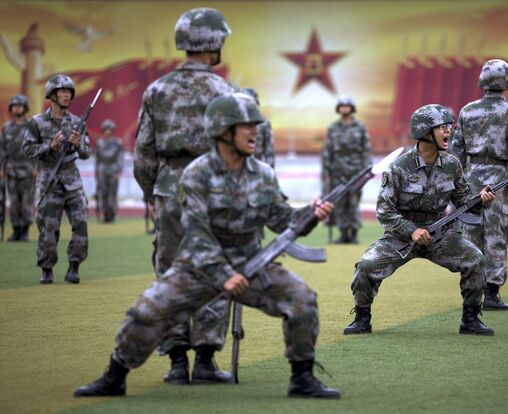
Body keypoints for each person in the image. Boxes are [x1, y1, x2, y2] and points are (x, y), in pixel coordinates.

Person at [74, 93, 340, 399]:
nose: (255, 132)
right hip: (199, 265)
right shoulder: (197, 173)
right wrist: (223, 274)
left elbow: (282, 220)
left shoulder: (263, 174)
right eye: (246, 126)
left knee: (301, 298)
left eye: (256, 125)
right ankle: (114, 376)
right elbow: (197, 232)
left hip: (249, 262)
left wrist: (309, 216)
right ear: (224, 131)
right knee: (146, 312)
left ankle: (302, 379)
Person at [133, 8, 237, 385]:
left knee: (171, 273)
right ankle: (206, 362)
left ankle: (176, 362)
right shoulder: (225, 92)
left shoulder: (156, 90)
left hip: (168, 190)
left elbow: (143, 154)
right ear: (213, 43)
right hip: (213, 188)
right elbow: (238, 152)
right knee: (214, 269)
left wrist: (153, 194)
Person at [343, 104, 496, 336]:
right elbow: (384, 210)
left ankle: (471, 319)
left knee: (475, 260)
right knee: (366, 266)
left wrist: (482, 200)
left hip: (440, 233)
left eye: (448, 127)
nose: (448, 132)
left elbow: (465, 202)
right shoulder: (399, 167)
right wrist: (411, 230)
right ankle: (363, 318)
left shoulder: (452, 164)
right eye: (441, 127)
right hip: (401, 235)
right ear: (425, 132)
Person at [449, 59, 508, 310]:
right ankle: (492, 293)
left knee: (471, 234)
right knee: (496, 234)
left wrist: (455, 183)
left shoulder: (467, 110)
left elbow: (456, 150)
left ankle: (472, 290)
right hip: (500, 178)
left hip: (470, 176)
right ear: (507, 81)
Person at [22, 75, 91, 284]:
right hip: (49, 180)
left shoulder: (78, 122)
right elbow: (26, 149)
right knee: (48, 228)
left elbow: (87, 152)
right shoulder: (36, 122)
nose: (67, 95)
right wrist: (48, 146)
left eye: (69, 92)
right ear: (52, 95)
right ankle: (47, 268)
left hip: (73, 181)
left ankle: (74, 266)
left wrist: (78, 144)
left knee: (81, 224)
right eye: (62, 92)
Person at [322, 95, 371, 244]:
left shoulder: (360, 127)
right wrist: (327, 168)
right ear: (338, 109)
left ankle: (354, 233)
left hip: (356, 169)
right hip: (338, 168)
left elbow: (366, 148)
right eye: (342, 106)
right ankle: (343, 233)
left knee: (354, 201)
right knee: (341, 201)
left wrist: (366, 168)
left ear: (352, 109)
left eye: (347, 106)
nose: (344, 109)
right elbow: (328, 149)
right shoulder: (333, 128)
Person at [0, 94, 37, 241]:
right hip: (11, 170)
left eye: (20, 106)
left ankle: (25, 231)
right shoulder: (6, 128)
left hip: (28, 171)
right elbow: (2, 150)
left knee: (27, 203)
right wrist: (2, 168)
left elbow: (37, 149)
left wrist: (36, 168)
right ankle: (15, 230)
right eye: (14, 106)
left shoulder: (32, 127)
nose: (17, 109)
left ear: (25, 108)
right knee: (14, 203)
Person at [95, 119, 123, 223]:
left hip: (114, 171)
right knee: (103, 194)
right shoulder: (99, 143)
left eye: (110, 129)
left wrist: (119, 172)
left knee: (112, 194)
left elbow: (120, 158)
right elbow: (97, 160)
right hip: (102, 171)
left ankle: (112, 215)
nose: (108, 131)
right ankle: (105, 215)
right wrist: (96, 174)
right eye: (106, 129)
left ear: (113, 130)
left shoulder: (118, 143)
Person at [242, 87, 275, 168]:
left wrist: (269, 173)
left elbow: (269, 151)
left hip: (256, 169)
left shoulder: (264, 123)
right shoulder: (235, 123)